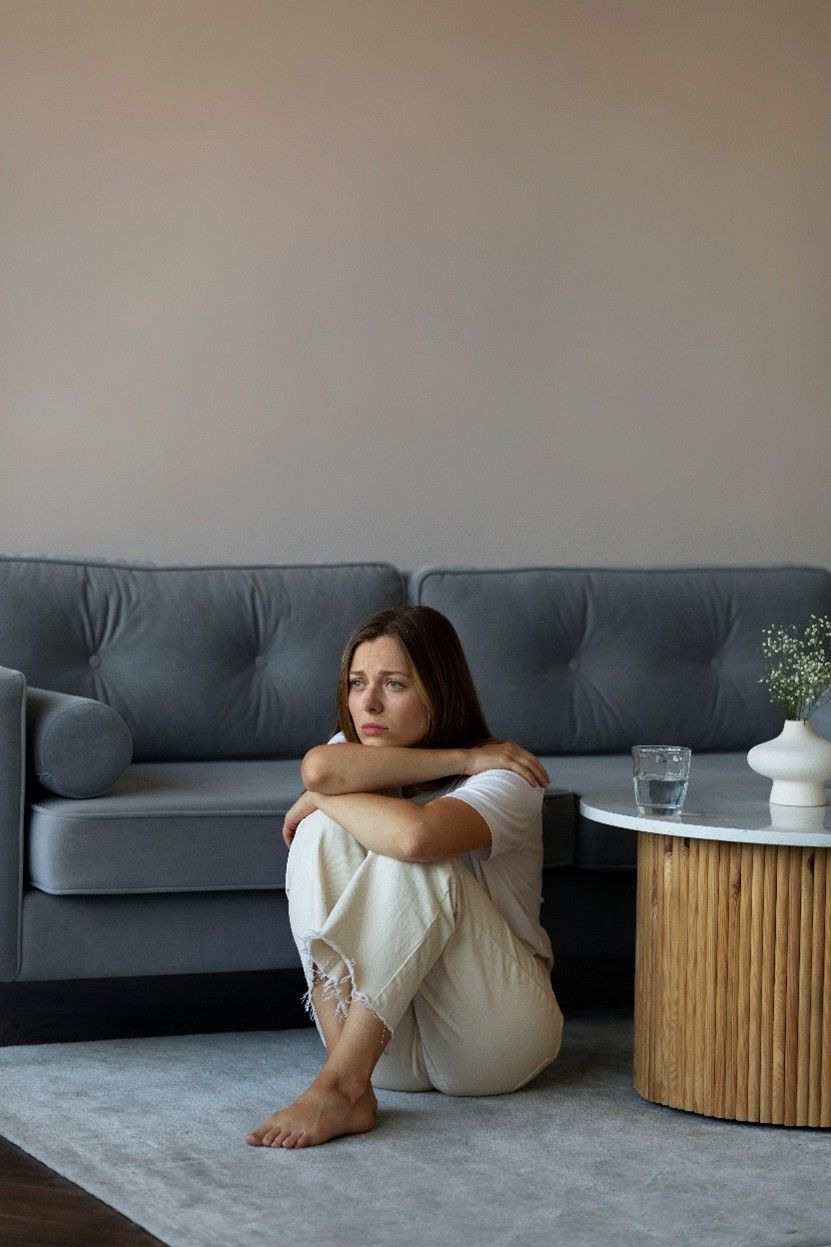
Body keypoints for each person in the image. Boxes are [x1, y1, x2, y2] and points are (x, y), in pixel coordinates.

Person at [246, 604, 563, 1149]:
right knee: (321, 831)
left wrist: (321, 796)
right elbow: (320, 768)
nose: (368, 704)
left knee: (408, 849)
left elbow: (416, 838)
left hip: (495, 1037)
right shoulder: (361, 756)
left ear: (440, 691)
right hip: (383, 1046)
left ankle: (337, 1087)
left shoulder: (507, 776)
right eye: (357, 683)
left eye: (393, 684)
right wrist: (459, 758)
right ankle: (348, 1076)